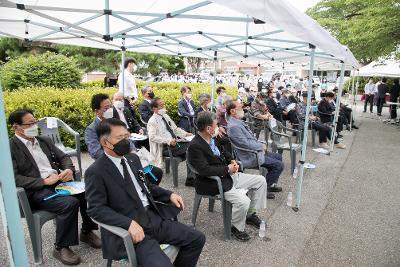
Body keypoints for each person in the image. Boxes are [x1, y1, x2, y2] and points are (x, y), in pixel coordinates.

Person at [85, 119, 205, 266]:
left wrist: (169, 195)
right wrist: (128, 223)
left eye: (126, 136)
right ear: (105, 143)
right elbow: (96, 209)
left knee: (197, 238)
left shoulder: (132, 159)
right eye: (120, 138)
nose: (126, 141)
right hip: (132, 230)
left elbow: (146, 186)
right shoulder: (96, 171)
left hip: (153, 219)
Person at [9, 108, 101, 265]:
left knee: (86, 192)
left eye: (34, 122)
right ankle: (60, 247)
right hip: (36, 190)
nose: (33, 126)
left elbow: (63, 157)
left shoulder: (44, 140)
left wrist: (67, 169)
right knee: (69, 204)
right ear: (15, 127)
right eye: (28, 124)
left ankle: (86, 231)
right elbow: (13, 177)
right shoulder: (11, 147)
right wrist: (43, 182)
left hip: (58, 182)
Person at [188, 111, 267, 241]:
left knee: (260, 181)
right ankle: (236, 227)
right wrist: (227, 169)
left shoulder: (213, 138)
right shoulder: (195, 146)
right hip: (214, 182)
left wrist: (232, 161)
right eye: (216, 125)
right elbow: (204, 170)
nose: (218, 127)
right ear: (208, 128)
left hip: (229, 176)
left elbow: (224, 151)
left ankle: (250, 214)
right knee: (243, 201)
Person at [85, 94, 163, 184]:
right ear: (97, 111)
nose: (110, 110)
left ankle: (146, 195)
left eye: (111, 106)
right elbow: (95, 152)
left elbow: (128, 140)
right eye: (106, 108)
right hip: (111, 164)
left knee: (156, 172)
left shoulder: (116, 123)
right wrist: (119, 157)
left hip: (128, 159)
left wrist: (133, 151)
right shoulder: (92, 129)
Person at [226, 100, 283, 199]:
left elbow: (249, 140)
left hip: (254, 151)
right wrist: (260, 147)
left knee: (278, 157)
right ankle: (264, 189)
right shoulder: (234, 126)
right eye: (240, 108)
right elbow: (245, 144)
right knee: (279, 165)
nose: (242, 109)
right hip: (249, 155)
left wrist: (261, 144)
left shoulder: (237, 122)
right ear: (232, 111)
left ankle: (270, 184)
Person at [147, 97, 195, 186]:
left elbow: (175, 129)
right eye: (161, 106)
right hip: (165, 147)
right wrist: (168, 141)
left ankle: (191, 177)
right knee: (191, 148)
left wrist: (185, 134)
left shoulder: (165, 116)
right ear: (154, 109)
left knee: (192, 145)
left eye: (163, 105)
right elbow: (152, 137)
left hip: (175, 143)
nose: (164, 107)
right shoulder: (152, 121)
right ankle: (191, 178)